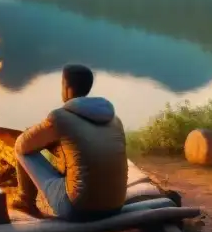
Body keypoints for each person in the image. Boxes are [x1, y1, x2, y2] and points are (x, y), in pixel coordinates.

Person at [12, 64, 127, 220]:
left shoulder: (60, 117)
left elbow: (22, 144)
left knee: (21, 150)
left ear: (67, 88)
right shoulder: (114, 120)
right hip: (115, 206)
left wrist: (34, 135)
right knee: (70, 154)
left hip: (77, 209)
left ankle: (26, 201)